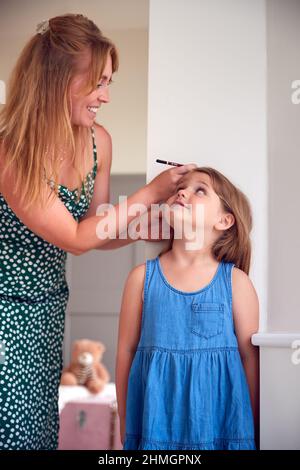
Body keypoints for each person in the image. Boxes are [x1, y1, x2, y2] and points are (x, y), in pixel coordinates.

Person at [0, 13, 196, 450]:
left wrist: (153, 226)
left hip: (48, 308)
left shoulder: (97, 142)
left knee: (36, 435)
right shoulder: (9, 154)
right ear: (58, 81)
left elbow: (96, 229)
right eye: (98, 82)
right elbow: (74, 237)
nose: (106, 96)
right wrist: (150, 192)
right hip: (5, 312)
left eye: (110, 82)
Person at [116, 167, 259, 450]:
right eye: (181, 189)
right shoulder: (141, 279)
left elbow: (250, 361)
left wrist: (253, 428)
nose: (182, 192)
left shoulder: (236, 283)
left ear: (224, 220)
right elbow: (125, 353)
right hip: (154, 429)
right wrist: (125, 424)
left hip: (222, 431)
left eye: (200, 190)